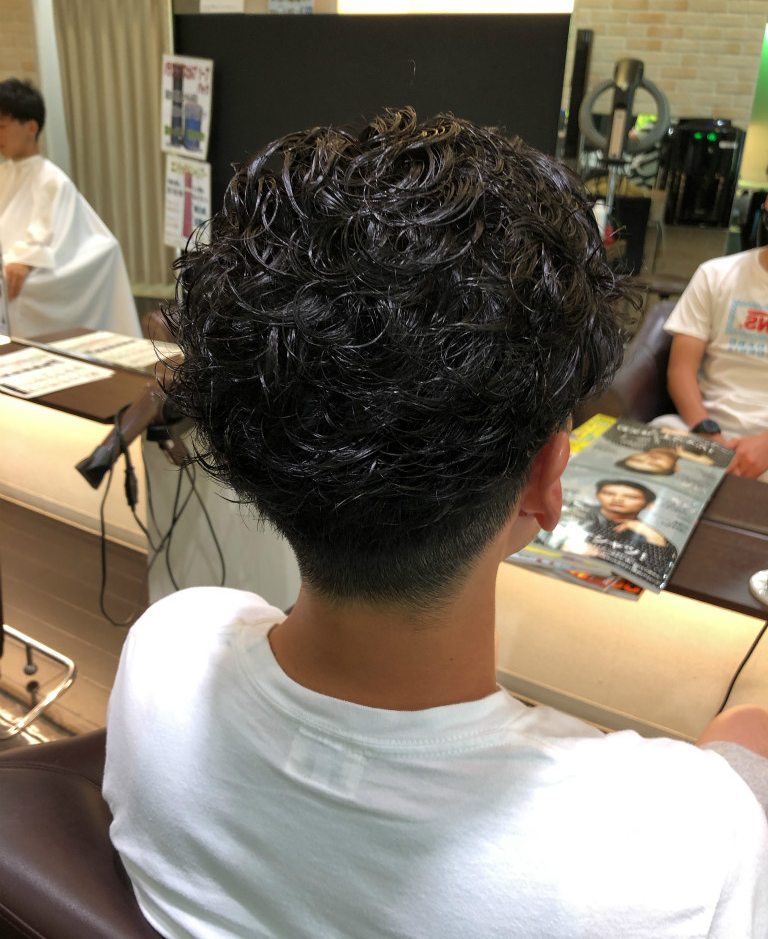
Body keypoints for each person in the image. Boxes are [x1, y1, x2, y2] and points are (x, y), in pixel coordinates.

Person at [103, 109, 768, 939]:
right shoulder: (674, 856)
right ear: (547, 481)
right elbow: (743, 773)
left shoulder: (164, 652)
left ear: (251, 456)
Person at [0, 78, 140, 338]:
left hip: (36, 276)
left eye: (2, 126)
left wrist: (24, 259)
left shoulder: (51, 179)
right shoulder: (4, 174)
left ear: (31, 127)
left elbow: (45, 233)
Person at [656, 245, 768, 481]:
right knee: (652, 437)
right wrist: (710, 437)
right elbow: (681, 371)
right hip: (703, 428)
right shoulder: (715, 274)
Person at [555, 478, 678, 579]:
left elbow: (656, 573)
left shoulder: (649, 533)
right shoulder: (573, 511)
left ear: (649, 505)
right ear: (597, 495)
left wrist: (653, 537)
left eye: (631, 497)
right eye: (609, 494)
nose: (617, 499)